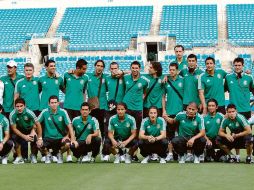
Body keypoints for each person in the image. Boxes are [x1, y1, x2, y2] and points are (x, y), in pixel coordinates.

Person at [38, 95, 77, 164]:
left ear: (58, 103)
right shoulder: (44, 112)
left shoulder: (63, 112)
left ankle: (58, 154)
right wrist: (39, 137)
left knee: (68, 144)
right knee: (38, 144)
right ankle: (48, 155)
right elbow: (36, 123)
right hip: (48, 138)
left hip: (60, 138)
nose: (54, 104)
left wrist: (72, 138)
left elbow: (70, 126)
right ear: (49, 104)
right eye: (52, 103)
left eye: (55, 102)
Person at [9, 98, 43, 164]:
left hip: (30, 129)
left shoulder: (30, 112)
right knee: (14, 137)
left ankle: (33, 155)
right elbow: (14, 129)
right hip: (19, 130)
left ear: (25, 106)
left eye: (21, 106)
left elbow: (38, 124)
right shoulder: (12, 114)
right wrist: (24, 136)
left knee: (34, 138)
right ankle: (19, 157)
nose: (19, 108)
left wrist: (39, 138)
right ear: (15, 106)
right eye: (17, 106)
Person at [162, 62, 184, 161]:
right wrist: (164, 110)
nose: (171, 71)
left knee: (180, 134)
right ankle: (170, 153)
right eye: (170, 70)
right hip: (170, 111)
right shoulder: (166, 81)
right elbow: (163, 97)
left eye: (173, 70)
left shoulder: (183, 80)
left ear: (177, 71)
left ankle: (180, 153)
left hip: (181, 112)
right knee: (170, 134)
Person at [122, 61, 148, 130]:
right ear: (130, 68)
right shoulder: (125, 77)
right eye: (132, 68)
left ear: (140, 69)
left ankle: (136, 140)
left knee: (138, 126)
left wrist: (142, 97)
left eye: (136, 68)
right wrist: (124, 72)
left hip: (138, 107)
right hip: (127, 106)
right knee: (126, 126)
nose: (134, 70)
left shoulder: (144, 80)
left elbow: (146, 91)